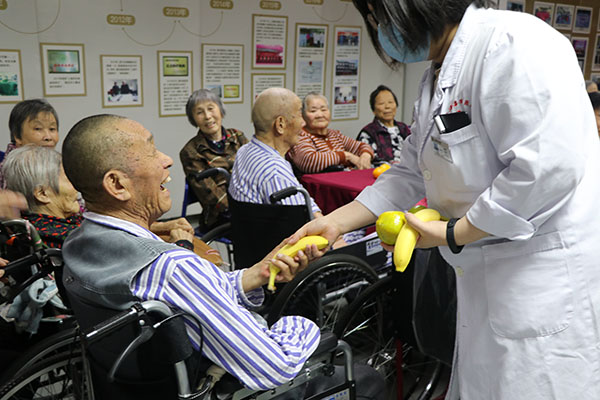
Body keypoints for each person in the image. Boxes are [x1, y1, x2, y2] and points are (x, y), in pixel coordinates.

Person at [289, 0, 600, 398]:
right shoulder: (439, 71)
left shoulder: (514, 44)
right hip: (484, 281)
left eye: (379, 15)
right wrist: (337, 222)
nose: (378, 27)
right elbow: (411, 170)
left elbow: (546, 168)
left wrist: (455, 232)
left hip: (540, 283)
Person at [60, 114, 328, 392]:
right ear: (117, 184)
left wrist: (257, 273)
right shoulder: (171, 267)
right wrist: (304, 324)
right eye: (151, 151)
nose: (167, 159)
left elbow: (190, 293)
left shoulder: (78, 242)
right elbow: (275, 366)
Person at [229, 87, 321, 216]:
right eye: (300, 115)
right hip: (287, 234)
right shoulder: (275, 171)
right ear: (280, 124)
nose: (304, 123)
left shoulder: (244, 151)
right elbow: (303, 221)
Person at [180, 89, 248, 231]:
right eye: (199, 112)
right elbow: (210, 195)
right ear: (193, 119)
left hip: (249, 204)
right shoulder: (190, 151)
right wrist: (244, 208)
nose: (207, 116)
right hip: (220, 215)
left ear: (221, 110)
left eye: (211, 108)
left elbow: (255, 170)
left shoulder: (238, 136)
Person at [2, 145, 80, 248]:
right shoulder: (74, 239)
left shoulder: (21, 230)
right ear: (42, 194)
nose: (77, 185)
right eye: (69, 178)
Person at [287, 92, 374, 173]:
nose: (320, 115)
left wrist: (366, 155)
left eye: (324, 110)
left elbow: (362, 146)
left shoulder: (335, 134)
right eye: (313, 111)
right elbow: (309, 160)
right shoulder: (300, 136)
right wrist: (347, 156)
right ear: (303, 115)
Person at [0, 99, 59, 188]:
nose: (48, 137)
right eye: (38, 129)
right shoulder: (14, 168)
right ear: (17, 136)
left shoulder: (55, 162)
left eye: (52, 129)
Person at [357, 85, 411, 164]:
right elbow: (369, 162)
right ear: (373, 110)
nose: (387, 106)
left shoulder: (404, 128)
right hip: (384, 173)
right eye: (381, 103)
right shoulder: (368, 133)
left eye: (391, 102)